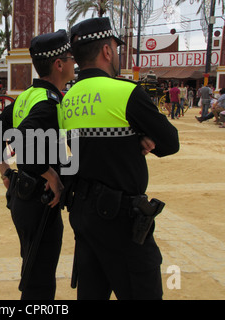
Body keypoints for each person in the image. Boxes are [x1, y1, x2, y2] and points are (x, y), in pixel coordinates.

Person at [59, 17, 179, 300]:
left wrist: (130, 136)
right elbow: (169, 142)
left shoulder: (68, 99)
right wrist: (139, 136)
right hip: (122, 220)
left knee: (92, 292)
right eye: (115, 46)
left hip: (84, 215)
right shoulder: (125, 92)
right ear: (107, 51)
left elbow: (84, 147)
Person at [0, 30, 75, 300]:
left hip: (22, 198)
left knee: (33, 271)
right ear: (59, 64)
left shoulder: (28, 95)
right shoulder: (49, 103)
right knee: (40, 284)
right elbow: (24, 143)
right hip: (40, 203)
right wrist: (51, 176)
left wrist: (6, 176)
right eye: (71, 58)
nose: (74, 63)